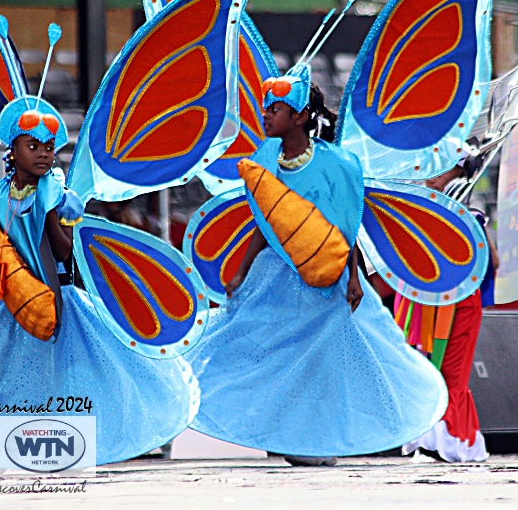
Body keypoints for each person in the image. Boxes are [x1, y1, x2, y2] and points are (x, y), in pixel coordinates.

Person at [0, 95, 199, 465]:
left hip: (56, 296)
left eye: (48, 148)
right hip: (6, 299)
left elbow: (62, 253)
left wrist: (56, 216)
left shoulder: (53, 194)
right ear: (11, 150)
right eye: (33, 146)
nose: (43, 154)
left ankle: (67, 438)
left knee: (68, 371)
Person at [185, 66, 446, 466]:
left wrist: (355, 278)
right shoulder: (265, 158)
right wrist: (242, 268)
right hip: (275, 275)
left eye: (275, 108)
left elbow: (347, 223)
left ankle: (320, 442)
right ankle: (286, 436)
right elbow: (264, 219)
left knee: (323, 362)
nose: (266, 115)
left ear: (301, 116)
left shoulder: (336, 163)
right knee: (268, 355)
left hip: (325, 276)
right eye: (265, 107)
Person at [397, 156, 499, 463]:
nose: (431, 177)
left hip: (459, 304)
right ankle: (439, 438)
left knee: (452, 374)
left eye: (440, 170)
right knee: (424, 370)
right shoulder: (416, 212)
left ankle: (447, 440)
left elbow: (491, 262)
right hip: (419, 302)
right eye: (427, 169)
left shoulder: (471, 217)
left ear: (460, 172)